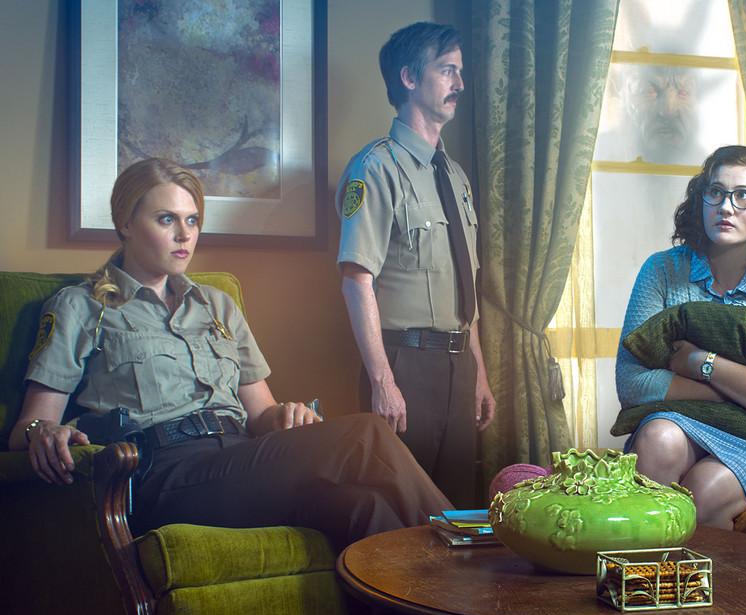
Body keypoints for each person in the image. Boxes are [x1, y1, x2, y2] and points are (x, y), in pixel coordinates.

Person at [10, 158, 453, 549]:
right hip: (163, 475)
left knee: (366, 508)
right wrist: (42, 432)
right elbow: (28, 427)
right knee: (364, 435)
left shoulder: (216, 305)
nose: (184, 234)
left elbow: (262, 415)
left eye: (192, 220)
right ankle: (473, 543)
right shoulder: (82, 306)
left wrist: (287, 415)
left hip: (239, 462)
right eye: (166, 219)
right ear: (126, 222)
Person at [616, 145, 746, 529]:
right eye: (715, 192)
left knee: (704, 491)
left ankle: (697, 572)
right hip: (687, 419)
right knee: (657, 438)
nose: (726, 207)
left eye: (743, 195)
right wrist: (739, 392)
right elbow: (632, 384)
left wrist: (700, 363)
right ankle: (640, 566)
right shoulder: (662, 270)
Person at [336, 22, 494, 509]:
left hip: (458, 366)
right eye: (447, 70)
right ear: (408, 78)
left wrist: (478, 373)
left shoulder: (457, 177)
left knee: (459, 513)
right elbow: (356, 280)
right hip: (405, 363)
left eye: (459, 72)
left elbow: (464, 285)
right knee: (404, 512)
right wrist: (383, 381)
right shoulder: (374, 168)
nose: (459, 83)